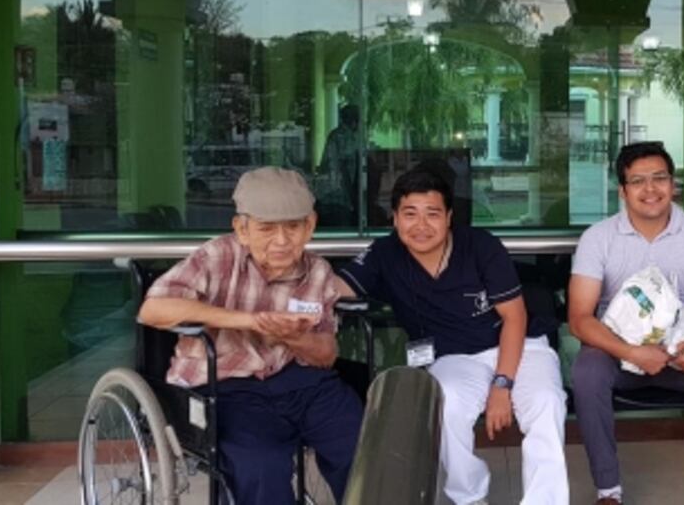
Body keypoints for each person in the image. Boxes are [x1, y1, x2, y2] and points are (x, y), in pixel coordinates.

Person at [335, 165, 568, 505]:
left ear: (448, 217)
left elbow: (515, 316)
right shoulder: (384, 253)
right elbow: (336, 287)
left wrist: (502, 385)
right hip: (454, 357)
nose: (421, 225)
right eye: (410, 214)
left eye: (432, 214)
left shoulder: (480, 246)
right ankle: (469, 497)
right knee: (445, 404)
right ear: (395, 218)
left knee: (547, 402)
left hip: (519, 347)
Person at [137, 167, 362, 505]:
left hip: (299, 380)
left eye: (293, 227)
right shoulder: (217, 256)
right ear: (242, 229)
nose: (282, 241)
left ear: (310, 226)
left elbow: (326, 354)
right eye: (267, 229)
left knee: (363, 446)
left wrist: (291, 337)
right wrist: (249, 321)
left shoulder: (317, 270)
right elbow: (152, 310)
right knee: (262, 466)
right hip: (226, 384)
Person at [568, 141, 684, 505]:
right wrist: (631, 352)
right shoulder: (598, 238)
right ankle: (608, 490)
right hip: (619, 354)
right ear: (623, 191)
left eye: (659, 178)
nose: (650, 189)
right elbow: (579, 319)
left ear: (673, 184)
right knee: (587, 372)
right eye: (638, 181)